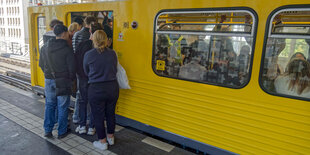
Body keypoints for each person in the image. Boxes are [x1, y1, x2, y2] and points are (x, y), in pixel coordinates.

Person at [83, 30, 119, 150]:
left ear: (93, 39)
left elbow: (86, 71)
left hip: (96, 88)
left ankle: (103, 142)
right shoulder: (113, 53)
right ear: (106, 39)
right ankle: (111, 138)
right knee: (110, 114)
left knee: (98, 116)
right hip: (112, 87)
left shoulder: (88, 54)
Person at [39, 24, 76, 139]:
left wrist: (48, 74)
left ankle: (48, 130)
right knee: (62, 106)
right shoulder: (67, 49)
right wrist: (70, 79)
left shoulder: (45, 47)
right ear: (64, 33)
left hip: (49, 80)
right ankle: (62, 131)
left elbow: (41, 64)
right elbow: (72, 69)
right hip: (63, 81)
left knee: (50, 105)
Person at [74, 23, 103, 135]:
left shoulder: (82, 45)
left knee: (82, 101)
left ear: (91, 32)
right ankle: (91, 127)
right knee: (94, 103)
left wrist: (80, 74)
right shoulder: (103, 48)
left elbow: (76, 60)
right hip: (95, 80)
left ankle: (82, 126)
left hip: (83, 78)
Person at [72, 15, 96, 124]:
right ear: (91, 24)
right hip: (87, 70)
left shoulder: (76, 34)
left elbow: (74, 51)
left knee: (80, 94)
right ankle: (87, 118)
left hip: (78, 69)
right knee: (88, 95)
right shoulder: (90, 36)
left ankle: (77, 116)